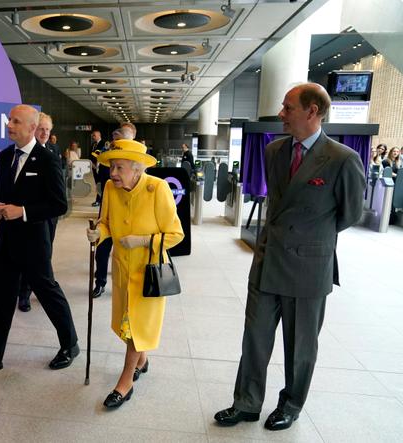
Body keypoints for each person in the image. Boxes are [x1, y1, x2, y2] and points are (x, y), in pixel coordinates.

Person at [214, 83, 365, 431]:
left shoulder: (343, 159)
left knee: (300, 348)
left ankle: (291, 405)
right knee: (255, 339)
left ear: (312, 112)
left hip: (308, 268)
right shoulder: (274, 151)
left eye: (288, 108)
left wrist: (312, 241)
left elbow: (349, 214)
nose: (281, 114)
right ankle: (246, 403)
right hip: (267, 261)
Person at [0, 105, 79, 375]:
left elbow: (59, 205)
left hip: (34, 243)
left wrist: (22, 211)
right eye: (9, 120)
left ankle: (70, 345)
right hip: (6, 242)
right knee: (1, 298)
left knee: (48, 293)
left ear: (31, 128)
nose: (9, 125)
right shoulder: (4, 157)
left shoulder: (47, 159)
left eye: (15, 121)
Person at [86, 139, 183, 409]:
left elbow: (176, 235)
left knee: (135, 327)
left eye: (118, 167)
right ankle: (142, 360)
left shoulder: (157, 189)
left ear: (137, 169)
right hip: (121, 268)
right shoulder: (109, 187)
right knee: (127, 324)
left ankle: (125, 382)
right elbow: (105, 222)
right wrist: (98, 234)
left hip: (149, 273)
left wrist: (142, 240)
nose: (112, 173)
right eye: (111, 167)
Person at [17, 112, 63, 312]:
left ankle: (41, 286)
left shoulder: (53, 150)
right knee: (28, 255)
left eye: (47, 130)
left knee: (45, 254)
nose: (44, 133)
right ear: (33, 129)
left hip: (50, 216)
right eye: (41, 129)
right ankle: (24, 293)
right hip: (29, 216)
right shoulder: (24, 154)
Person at [92, 123, 136, 299]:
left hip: (132, 216)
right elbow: (104, 177)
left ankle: (129, 285)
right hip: (109, 211)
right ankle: (100, 282)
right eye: (116, 142)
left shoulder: (139, 160)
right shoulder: (108, 157)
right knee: (102, 250)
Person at [90, 130, 107, 207]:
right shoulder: (93, 144)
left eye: (94, 135)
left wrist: (98, 165)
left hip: (101, 168)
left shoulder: (104, 143)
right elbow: (91, 155)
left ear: (99, 136)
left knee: (100, 184)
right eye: (93, 135)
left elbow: (103, 155)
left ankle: (99, 200)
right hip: (94, 167)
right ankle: (99, 200)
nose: (93, 137)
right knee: (97, 184)